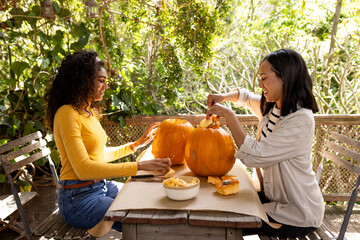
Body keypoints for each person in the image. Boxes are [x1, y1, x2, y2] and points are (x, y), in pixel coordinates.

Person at [44, 50, 171, 232]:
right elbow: (84, 169)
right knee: (141, 220)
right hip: (78, 200)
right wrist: (140, 167)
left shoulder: (87, 112)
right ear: (83, 81)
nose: (105, 87)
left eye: (106, 82)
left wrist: (135, 145)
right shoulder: (66, 114)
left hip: (99, 187)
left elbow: (99, 155)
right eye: (101, 81)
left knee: (144, 197)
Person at [206, 49, 324, 238]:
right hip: (271, 198)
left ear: (285, 78)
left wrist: (229, 115)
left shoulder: (300, 120)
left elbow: (255, 155)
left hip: (297, 212)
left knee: (222, 222)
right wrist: (223, 97)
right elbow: (244, 97)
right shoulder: (274, 107)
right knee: (219, 202)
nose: (260, 85)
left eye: (264, 78)